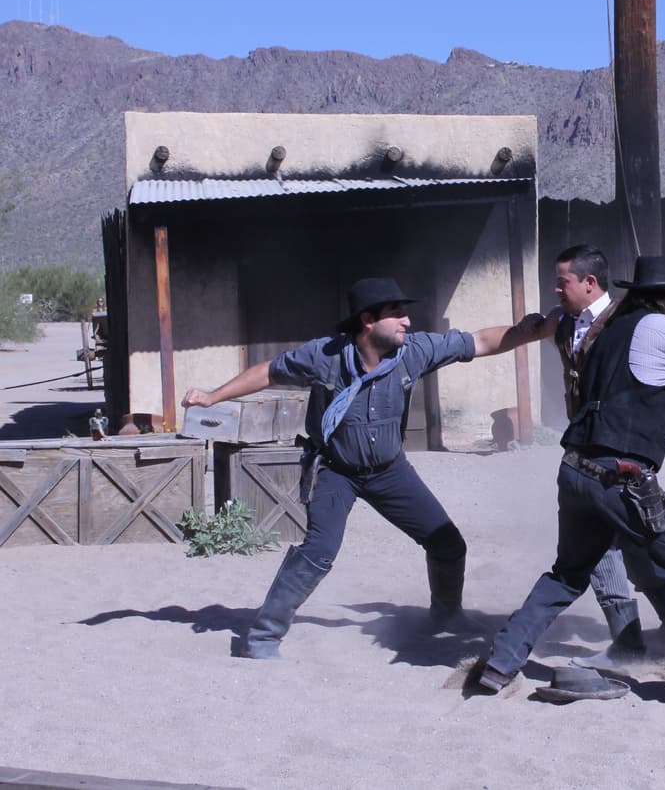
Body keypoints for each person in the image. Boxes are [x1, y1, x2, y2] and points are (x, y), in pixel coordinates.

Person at [182, 277, 542, 659]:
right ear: (367, 320)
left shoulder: (415, 351)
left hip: (389, 470)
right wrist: (211, 397)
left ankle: (446, 616)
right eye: (397, 314)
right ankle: (264, 635)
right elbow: (268, 372)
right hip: (335, 470)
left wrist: (527, 333)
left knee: (448, 544)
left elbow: (480, 341)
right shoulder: (325, 356)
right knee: (318, 552)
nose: (407, 321)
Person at [476, 256, 665, 701]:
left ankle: (500, 663)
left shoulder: (606, 335)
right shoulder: (662, 327)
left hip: (576, 470)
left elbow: (626, 407)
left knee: (567, 575)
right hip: (621, 477)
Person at [532, 244, 665, 670]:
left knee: (638, 547)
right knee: (620, 546)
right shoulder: (566, 325)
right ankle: (644, 637)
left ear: (590, 283)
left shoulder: (627, 324)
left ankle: (658, 636)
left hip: (620, 453)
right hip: (594, 447)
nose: (555, 289)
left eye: (562, 281)